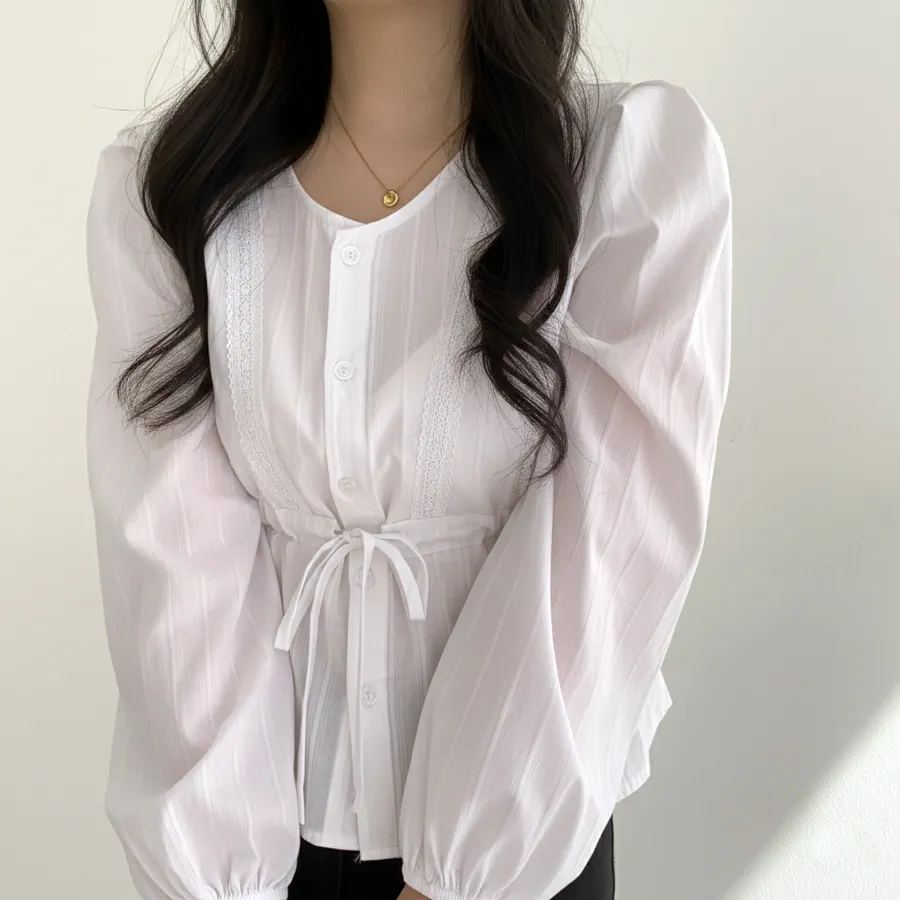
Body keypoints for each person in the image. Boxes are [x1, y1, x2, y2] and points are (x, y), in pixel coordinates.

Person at [84, 0, 732, 898]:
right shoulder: (172, 192)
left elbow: (609, 548)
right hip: (261, 857)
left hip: (520, 855)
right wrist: (221, 876)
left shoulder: (625, 168)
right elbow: (173, 566)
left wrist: (461, 875)